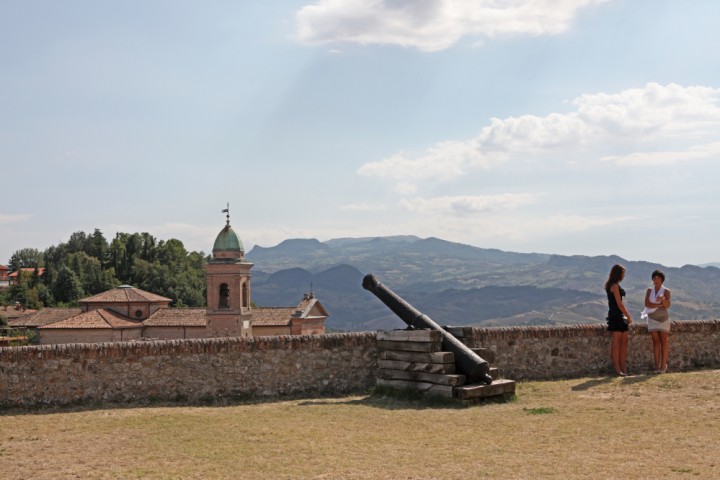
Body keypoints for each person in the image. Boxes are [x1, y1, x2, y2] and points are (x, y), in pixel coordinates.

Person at [641, 269, 671, 374]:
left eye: (658, 278)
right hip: (652, 317)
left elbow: (667, 305)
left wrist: (663, 300)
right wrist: (659, 305)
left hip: (663, 318)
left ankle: (663, 366)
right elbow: (647, 304)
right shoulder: (650, 290)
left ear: (662, 279)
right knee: (655, 342)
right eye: (654, 278)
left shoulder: (666, 291)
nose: (656, 280)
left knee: (664, 342)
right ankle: (657, 366)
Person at [605, 264, 633, 376]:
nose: (624, 275)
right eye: (623, 273)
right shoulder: (614, 286)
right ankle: (617, 368)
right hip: (616, 315)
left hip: (619, 315)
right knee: (617, 342)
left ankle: (622, 365)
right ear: (618, 273)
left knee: (624, 341)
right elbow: (619, 304)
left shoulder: (613, 285)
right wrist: (629, 316)